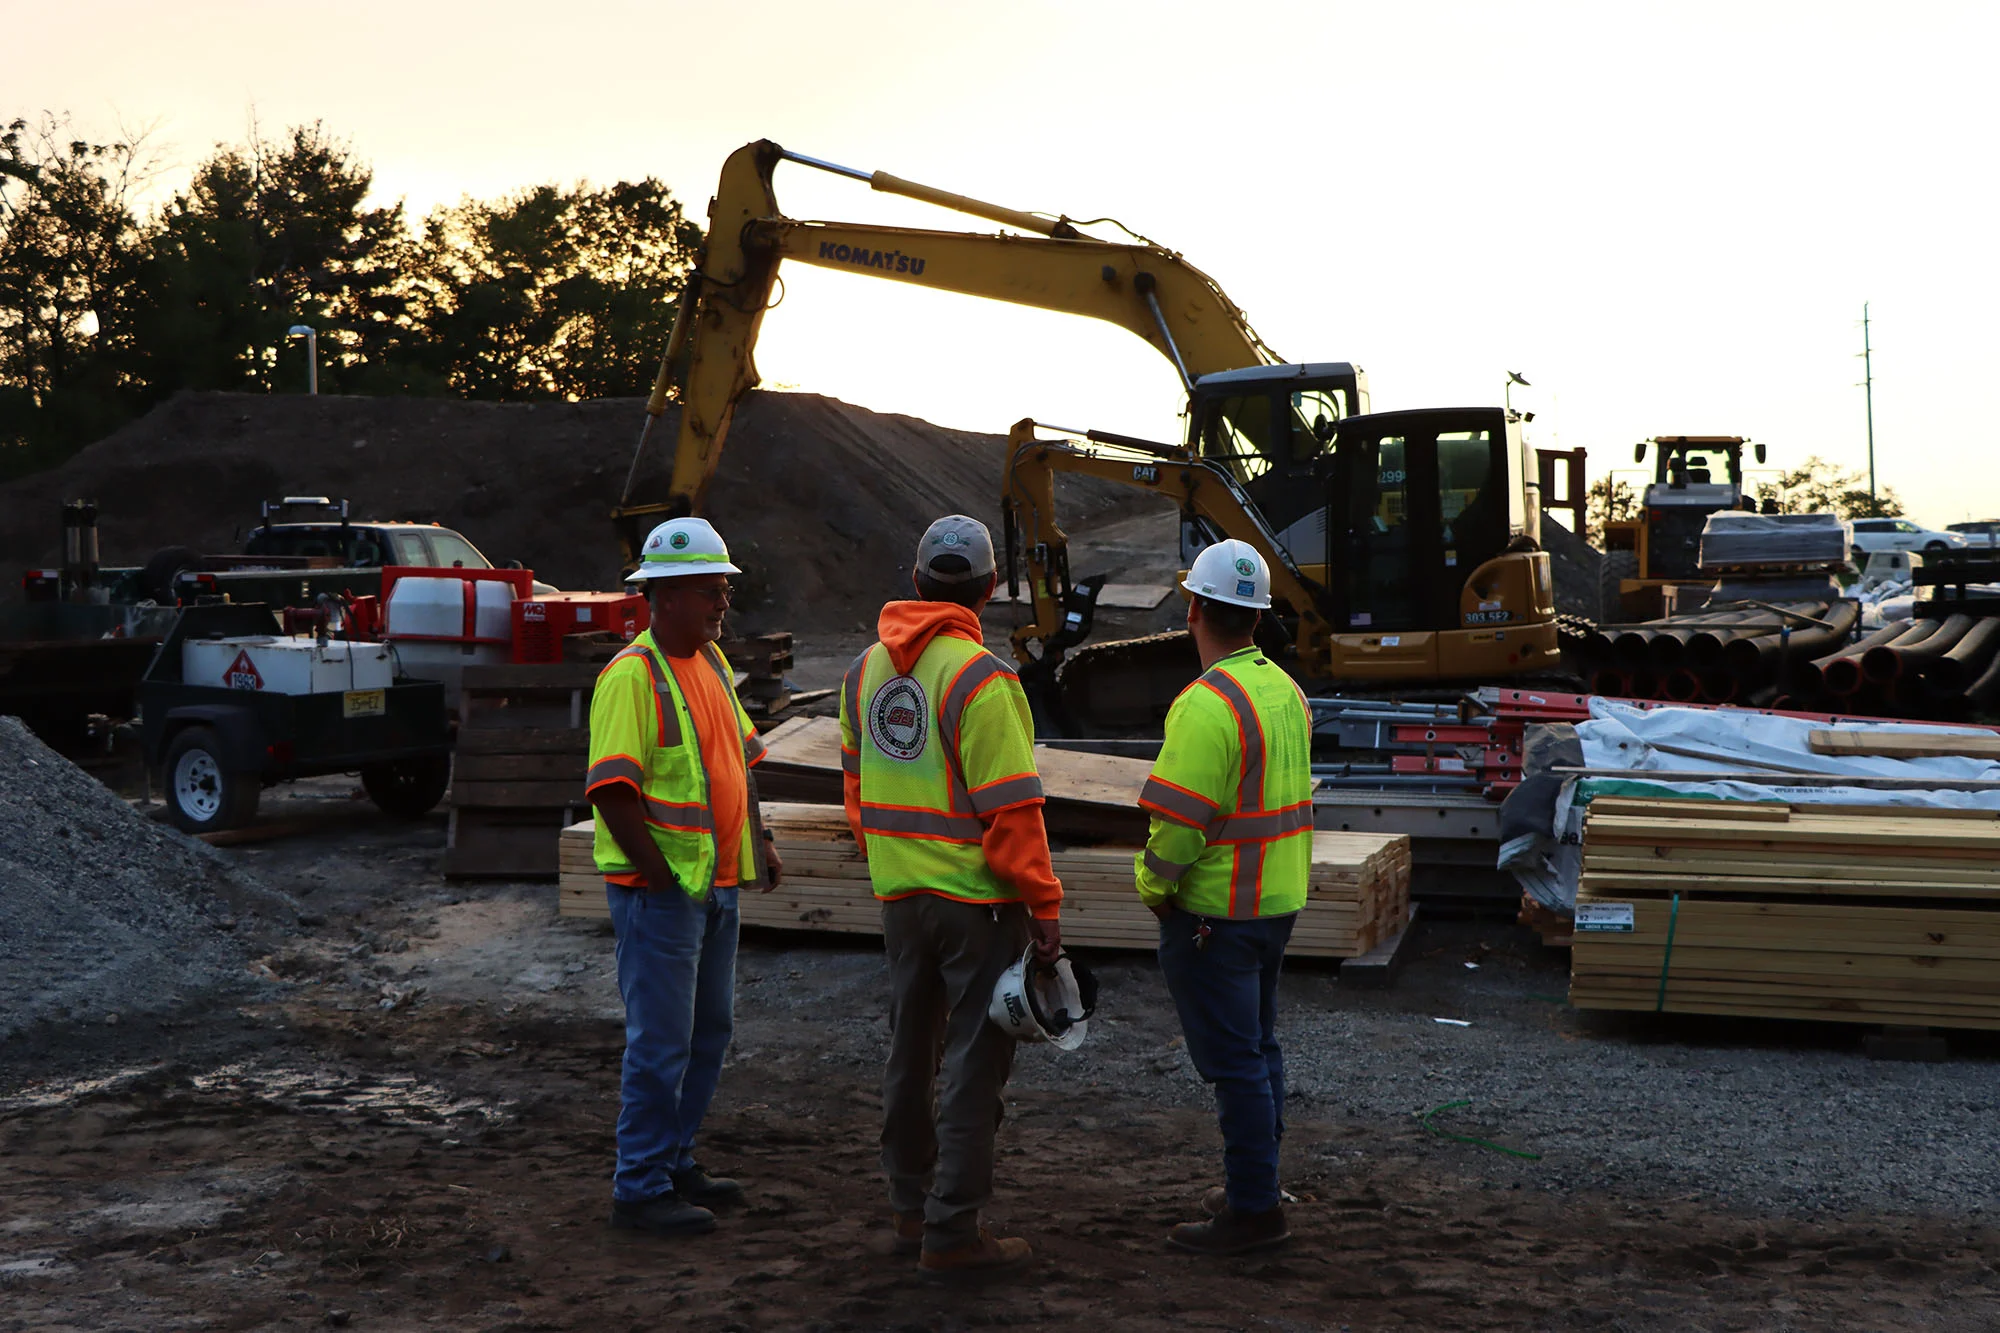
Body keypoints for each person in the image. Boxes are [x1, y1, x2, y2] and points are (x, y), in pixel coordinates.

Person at [838, 514, 1063, 1280]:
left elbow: (855, 785)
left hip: (902, 897)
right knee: (973, 1060)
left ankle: (909, 1207)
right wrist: (1044, 907)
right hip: (976, 905)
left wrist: (890, 859)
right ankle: (954, 1230)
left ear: (916, 579)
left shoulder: (863, 672)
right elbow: (1013, 811)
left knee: (910, 1048)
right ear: (991, 588)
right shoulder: (982, 679)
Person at [585, 516, 781, 1238]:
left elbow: (741, 760)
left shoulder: (713, 666)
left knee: (708, 1034)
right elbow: (611, 788)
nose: (723, 602)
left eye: (724, 588)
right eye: (711, 589)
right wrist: (661, 880)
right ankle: (639, 1186)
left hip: (714, 885)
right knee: (662, 1043)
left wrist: (757, 838)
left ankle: (673, 1160)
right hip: (663, 897)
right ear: (665, 595)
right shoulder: (631, 678)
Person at [1132, 538, 1313, 1256]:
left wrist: (1153, 887)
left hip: (1218, 914)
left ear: (1195, 609)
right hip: (1276, 903)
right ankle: (1257, 1185)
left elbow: (1178, 829)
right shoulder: (1285, 690)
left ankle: (1255, 1211)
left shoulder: (1207, 706)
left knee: (1236, 1060)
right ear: (1260, 619)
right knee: (1259, 1047)